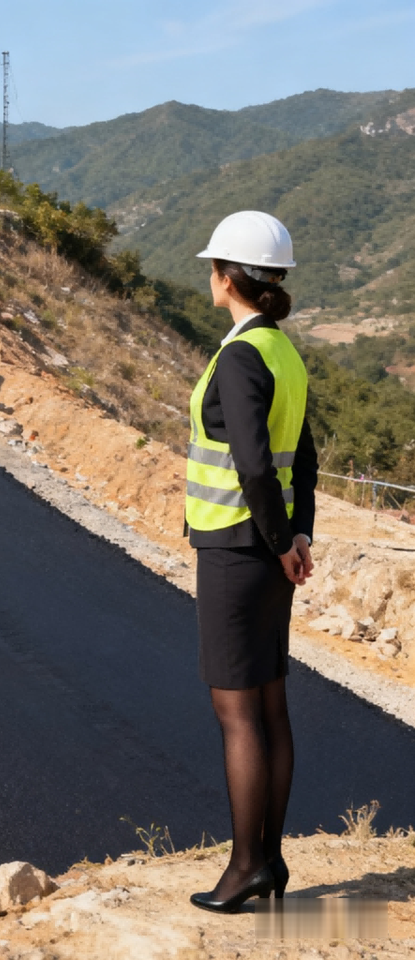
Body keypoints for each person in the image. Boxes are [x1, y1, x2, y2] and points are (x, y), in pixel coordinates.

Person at [186, 210, 318, 914]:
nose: (210, 277)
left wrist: (277, 541)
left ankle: (245, 868)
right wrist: (298, 539)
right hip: (269, 552)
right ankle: (269, 860)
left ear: (228, 277)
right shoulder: (282, 351)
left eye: (214, 267)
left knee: (237, 713)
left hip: (236, 549)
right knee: (270, 705)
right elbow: (306, 459)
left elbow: (254, 465)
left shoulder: (239, 355)